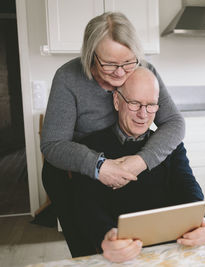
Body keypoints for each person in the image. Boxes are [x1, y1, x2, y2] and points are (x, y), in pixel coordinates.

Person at [40, 12, 185, 257]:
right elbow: (53, 144)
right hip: (74, 174)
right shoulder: (68, 77)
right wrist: (98, 166)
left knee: (129, 244)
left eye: (128, 62)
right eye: (109, 64)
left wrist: (141, 161)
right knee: (89, 249)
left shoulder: (145, 68)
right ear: (90, 55)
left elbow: (174, 123)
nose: (120, 73)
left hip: (125, 164)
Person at [72, 67, 205, 262]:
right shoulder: (90, 146)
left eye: (151, 105)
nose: (143, 115)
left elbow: (187, 186)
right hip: (121, 253)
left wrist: (201, 220)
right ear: (117, 101)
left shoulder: (168, 143)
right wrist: (106, 235)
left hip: (172, 248)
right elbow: (87, 205)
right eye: (135, 104)